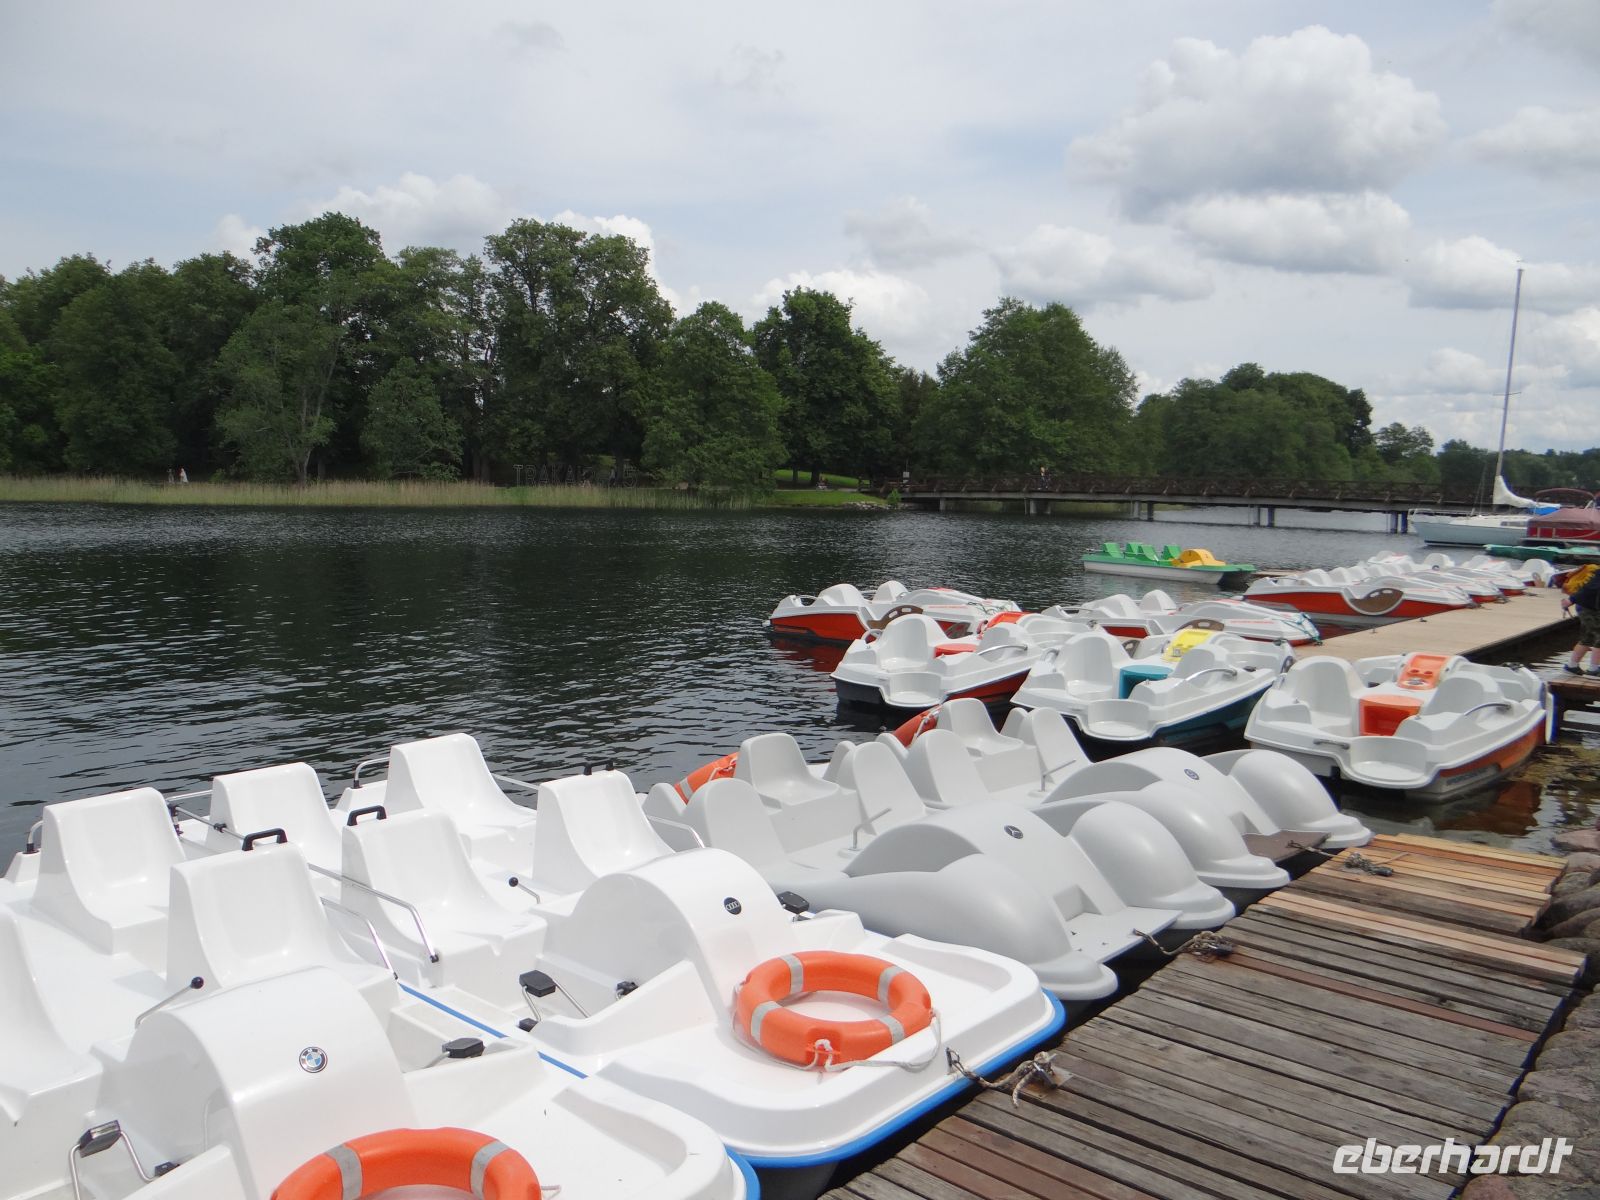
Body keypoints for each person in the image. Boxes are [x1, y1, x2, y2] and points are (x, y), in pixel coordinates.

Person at [1559, 564, 1600, 674]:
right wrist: (1571, 600)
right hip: (1588, 608)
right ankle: (1594, 669)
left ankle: (1572, 666)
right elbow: (1589, 588)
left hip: (1590, 608)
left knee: (1588, 638)